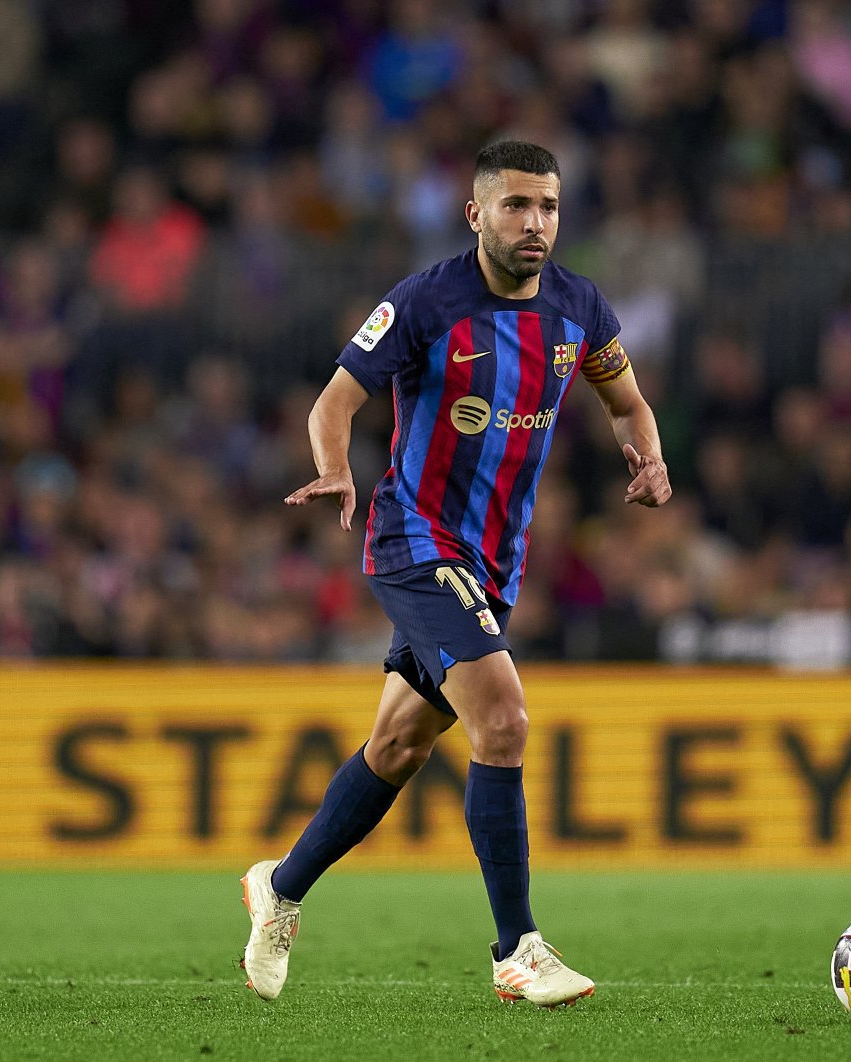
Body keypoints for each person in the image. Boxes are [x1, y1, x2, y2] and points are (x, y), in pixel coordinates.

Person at [239, 140, 671, 1007]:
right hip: (413, 538)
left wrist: (649, 458)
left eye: (547, 206)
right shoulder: (426, 301)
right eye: (516, 206)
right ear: (476, 214)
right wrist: (336, 464)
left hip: (493, 563)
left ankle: (279, 889)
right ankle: (518, 948)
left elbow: (626, 401)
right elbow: (336, 400)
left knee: (397, 746)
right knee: (502, 716)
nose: (535, 223)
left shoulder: (580, 307)